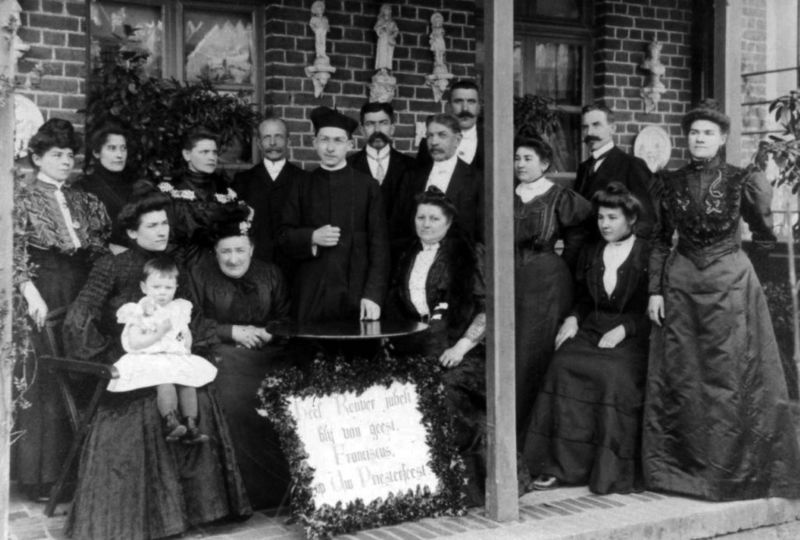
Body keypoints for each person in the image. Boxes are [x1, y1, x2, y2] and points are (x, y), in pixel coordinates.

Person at [64, 193, 251, 540]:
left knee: (199, 394)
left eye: (164, 223)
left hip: (169, 355)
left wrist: (207, 340)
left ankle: (201, 509)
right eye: (151, 225)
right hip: (129, 359)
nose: (162, 231)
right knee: (147, 407)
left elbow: (190, 316)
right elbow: (80, 317)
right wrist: (105, 360)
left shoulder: (173, 264)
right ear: (132, 233)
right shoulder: (112, 266)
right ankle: (149, 517)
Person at [643, 100, 800, 501]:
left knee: (728, 373)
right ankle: (682, 472)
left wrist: (745, 273)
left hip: (730, 284)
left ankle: (733, 472)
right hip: (680, 287)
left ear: (723, 138)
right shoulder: (668, 182)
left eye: (708, 133)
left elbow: (763, 235)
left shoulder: (742, 180)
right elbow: (659, 239)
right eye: (694, 132)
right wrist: (655, 291)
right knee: (684, 373)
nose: (700, 138)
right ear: (686, 137)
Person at [522, 182, 650, 494]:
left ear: (631, 219)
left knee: (610, 374)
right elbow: (582, 297)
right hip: (592, 328)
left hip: (633, 336)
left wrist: (625, 329)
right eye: (601, 217)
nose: (604, 224)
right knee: (561, 365)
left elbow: (654, 307)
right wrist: (573, 319)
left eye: (613, 218)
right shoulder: (592, 250)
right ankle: (558, 465)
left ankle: (604, 469)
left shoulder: (647, 253)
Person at [13, 118, 111, 501]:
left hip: (82, 289)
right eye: (57, 154)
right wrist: (30, 293)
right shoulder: (22, 198)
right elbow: (11, 250)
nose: (66, 161)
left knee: (81, 369)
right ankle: (43, 477)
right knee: (46, 378)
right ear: (37, 158)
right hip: (43, 288)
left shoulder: (85, 201)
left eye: (70, 154)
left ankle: (79, 472)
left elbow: (100, 249)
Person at [385, 188, 486, 504]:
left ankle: (457, 487)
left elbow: (487, 310)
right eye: (421, 217)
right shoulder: (408, 255)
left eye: (434, 218)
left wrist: (461, 348)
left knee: (442, 393)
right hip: (418, 347)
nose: (426, 224)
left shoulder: (467, 255)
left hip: (460, 350)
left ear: (449, 222)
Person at [189, 205, 291, 510]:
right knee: (236, 399)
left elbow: (285, 317)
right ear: (215, 252)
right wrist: (231, 331)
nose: (233, 259)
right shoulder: (198, 274)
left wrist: (270, 333)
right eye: (225, 252)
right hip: (222, 353)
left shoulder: (270, 273)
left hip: (269, 353)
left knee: (287, 394)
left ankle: (286, 489)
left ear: (252, 249)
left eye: (240, 250)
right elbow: (190, 322)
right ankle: (248, 493)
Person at [278, 105, 389, 323]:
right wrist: (311, 237)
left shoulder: (367, 186)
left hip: (355, 293)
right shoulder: (301, 185)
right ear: (314, 143)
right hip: (311, 293)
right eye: (324, 140)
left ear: (350, 145)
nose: (330, 148)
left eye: (338, 140)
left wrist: (373, 295)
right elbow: (283, 236)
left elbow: (380, 246)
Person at [513, 137, 591, 436]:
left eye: (528, 158)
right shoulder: (505, 193)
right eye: (517, 158)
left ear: (544, 164)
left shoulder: (559, 197)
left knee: (534, 353)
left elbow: (579, 238)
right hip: (508, 281)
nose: (520, 164)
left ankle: (530, 434)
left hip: (545, 285)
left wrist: (560, 267)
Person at [110, 256, 217, 445]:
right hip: (148, 357)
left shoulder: (179, 308)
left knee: (188, 382)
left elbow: (184, 332)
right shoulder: (138, 311)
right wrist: (159, 332)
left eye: (168, 288)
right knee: (165, 382)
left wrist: (186, 348)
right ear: (144, 287)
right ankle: (171, 421)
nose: (162, 292)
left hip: (173, 356)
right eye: (156, 287)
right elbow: (135, 342)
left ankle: (191, 424)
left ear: (176, 288)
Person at [394, 113, 483, 246]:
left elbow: (480, 231)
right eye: (430, 135)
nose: (434, 142)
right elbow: (398, 225)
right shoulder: (412, 177)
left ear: (457, 140)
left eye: (442, 135)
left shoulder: (476, 179)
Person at [158, 127, 245, 264]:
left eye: (214, 152)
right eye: (204, 152)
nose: (211, 157)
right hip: (184, 264)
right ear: (187, 155)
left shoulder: (225, 188)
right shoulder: (172, 190)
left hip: (223, 264)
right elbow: (170, 239)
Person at [233, 116, 306, 274]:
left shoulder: (304, 180)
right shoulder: (242, 181)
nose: (272, 143)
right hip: (254, 267)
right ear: (259, 143)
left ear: (288, 141)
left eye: (278, 136)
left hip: (294, 269)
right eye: (267, 137)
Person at [574, 103, 656, 241]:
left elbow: (646, 219)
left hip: (618, 248)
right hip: (586, 249)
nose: (589, 133)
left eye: (596, 125)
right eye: (585, 127)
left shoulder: (632, 165)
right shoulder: (584, 168)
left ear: (612, 128)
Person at [79, 120, 135, 252]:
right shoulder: (84, 187)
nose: (120, 155)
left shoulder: (134, 185)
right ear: (96, 152)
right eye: (112, 148)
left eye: (123, 148)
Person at [348, 101, 415, 209]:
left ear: (392, 128)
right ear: (362, 130)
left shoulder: (411, 166)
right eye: (370, 124)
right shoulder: (348, 166)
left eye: (383, 123)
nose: (377, 130)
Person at [417, 79, 483, 170]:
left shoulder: (492, 142)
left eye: (471, 102)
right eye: (458, 101)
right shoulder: (428, 144)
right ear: (448, 107)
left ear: (479, 107)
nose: (465, 108)